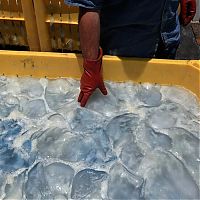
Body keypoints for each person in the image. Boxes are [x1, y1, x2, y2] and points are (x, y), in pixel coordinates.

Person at [64, 0, 196, 107]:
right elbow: (89, 7)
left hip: (168, 37)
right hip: (127, 48)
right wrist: (91, 68)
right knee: (125, 105)